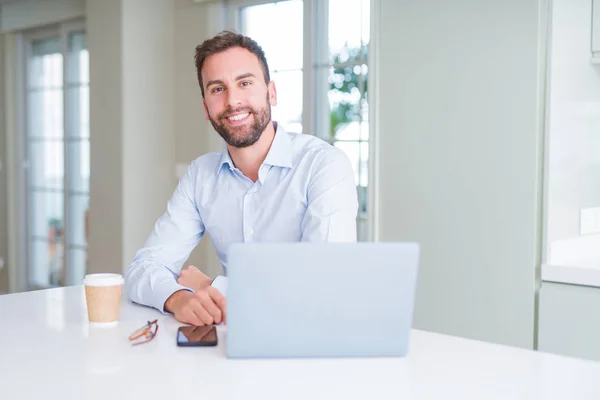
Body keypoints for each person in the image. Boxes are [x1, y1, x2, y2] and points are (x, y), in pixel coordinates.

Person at [124, 30, 358, 327]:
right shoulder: (201, 176)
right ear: (206, 108)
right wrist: (178, 298)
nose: (233, 101)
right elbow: (142, 268)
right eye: (217, 89)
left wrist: (213, 287)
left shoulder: (323, 165)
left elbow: (323, 289)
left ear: (271, 92)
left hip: (313, 346)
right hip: (234, 345)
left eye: (245, 83)